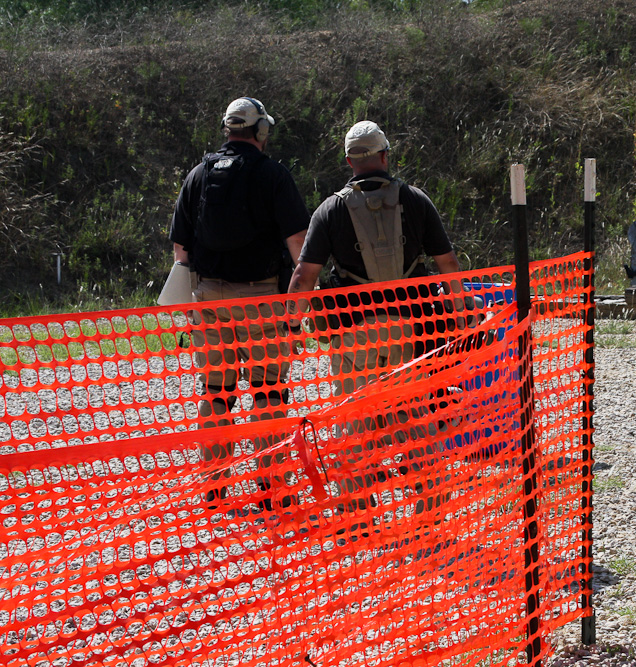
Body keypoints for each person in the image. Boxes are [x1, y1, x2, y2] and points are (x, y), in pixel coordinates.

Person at [169, 96, 310, 509]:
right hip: (262, 298)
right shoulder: (273, 175)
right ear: (261, 130)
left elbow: (181, 250)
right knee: (269, 391)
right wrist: (298, 307)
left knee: (215, 392)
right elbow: (298, 243)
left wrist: (194, 298)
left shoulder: (198, 175)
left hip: (207, 298)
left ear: (227, 129)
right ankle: (271, 489)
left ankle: (214, 488)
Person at [288, 120, 462, 392]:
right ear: (384, 156)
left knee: (355, 413)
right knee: (410, 410)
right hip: (412, 328)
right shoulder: (416, 200)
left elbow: (304, 276)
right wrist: (460, 313)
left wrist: (293, 325)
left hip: (352, 331)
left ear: (349, 161)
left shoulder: (329, 210)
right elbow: (447, 263)